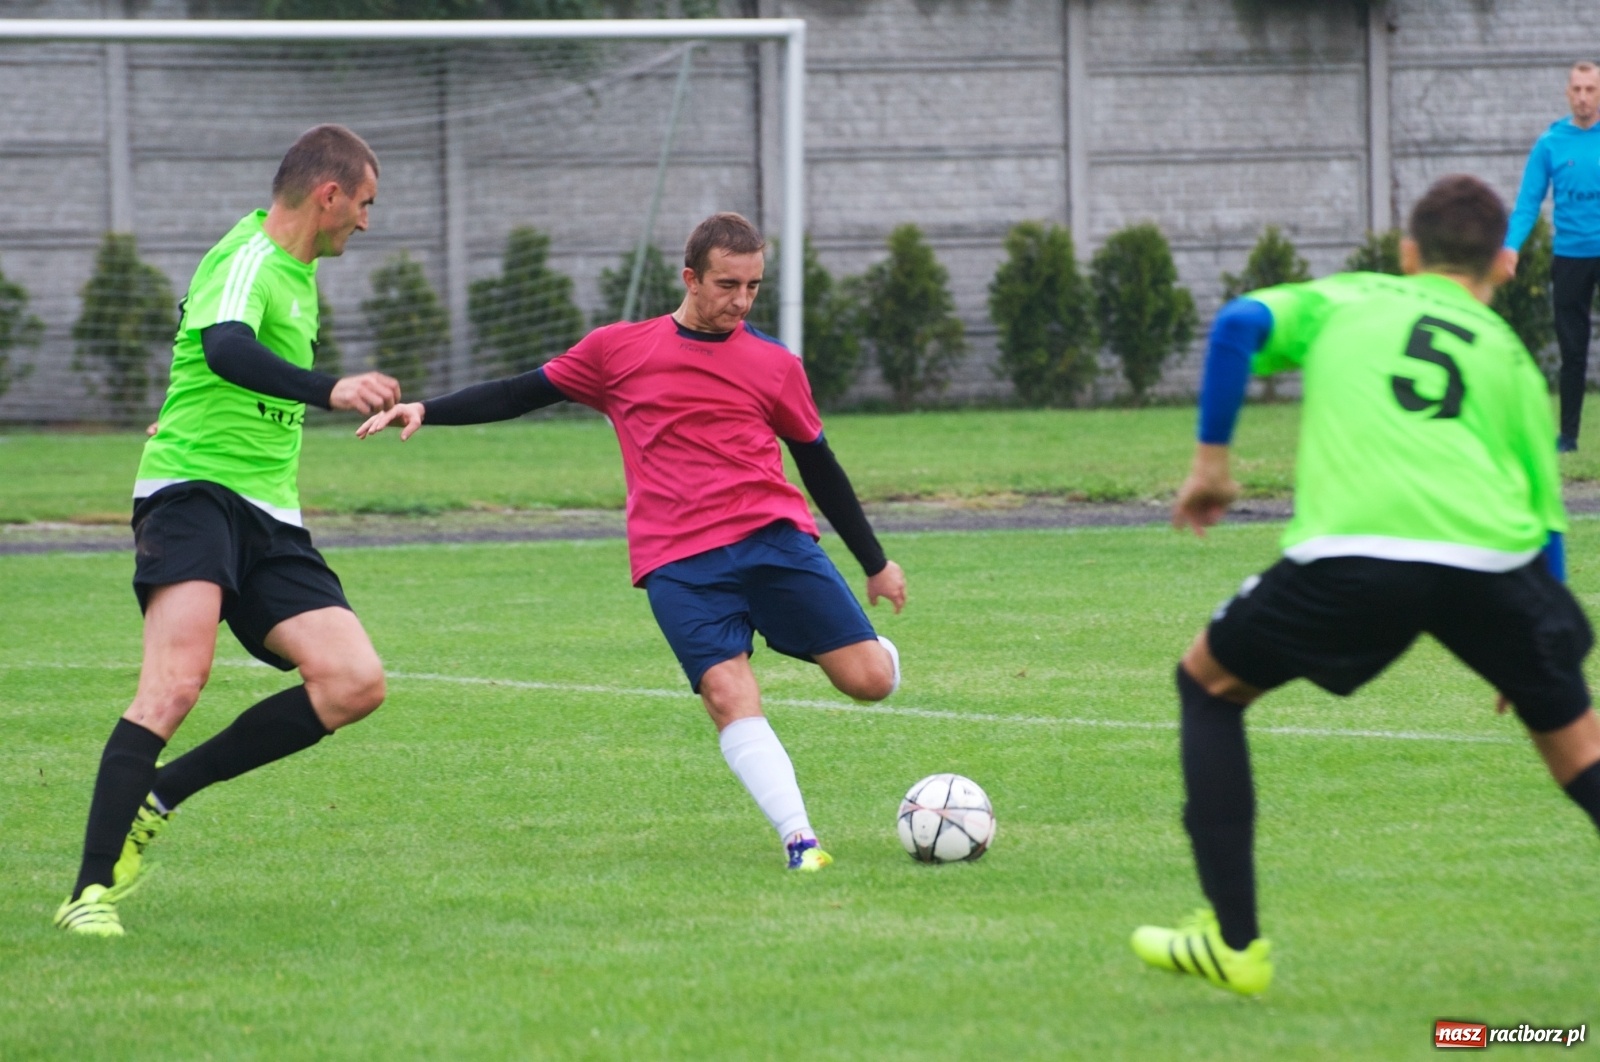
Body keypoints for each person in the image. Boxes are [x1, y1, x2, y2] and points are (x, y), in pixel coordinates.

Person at [1131, 174, 1600, 996]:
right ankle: (1229, 941)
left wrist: (1212, 463)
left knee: (1206, 684)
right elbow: (1545, 518)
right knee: (1581, 753)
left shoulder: (1350, 298)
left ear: (1407, 251)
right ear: (1501, 264)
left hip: (1356, 557)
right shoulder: (1510, 360)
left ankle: (1234, 943)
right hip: (1493, 566)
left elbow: (1239, 323)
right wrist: (1539, 657)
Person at [357, 212, 905, 871]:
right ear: (690, 278)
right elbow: (518, 392)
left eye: (754, 287)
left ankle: (870, 651)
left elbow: (817, 461)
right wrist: (427, 408)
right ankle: (801, 841)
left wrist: (876, 563)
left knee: (869, 681)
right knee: (729, 695)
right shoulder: (619, 351)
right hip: (677, 562)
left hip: (774, 542)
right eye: (728, 284)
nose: (741, 301)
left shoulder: (774, 365)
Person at [55, 125, 402, 937]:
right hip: (193, 496)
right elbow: (223, 349)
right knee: (177, 682)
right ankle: (88, 891)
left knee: (354, 681)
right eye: (365, 203)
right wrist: (331, 389)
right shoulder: (246, 255)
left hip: (269, 514)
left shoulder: (300, 273)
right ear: (329, 195)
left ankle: (162, 794)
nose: (366, 221)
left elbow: (210, 369)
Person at [1504, 60, 1600, 452]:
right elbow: (1528, 203)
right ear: (1567, 93)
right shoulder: (1550, 143)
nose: (1583, 96)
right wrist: (1510, 247)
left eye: (1590, 89)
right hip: (1571, 257)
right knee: (1573, 351)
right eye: (1576, 89)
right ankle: (1569, 438)